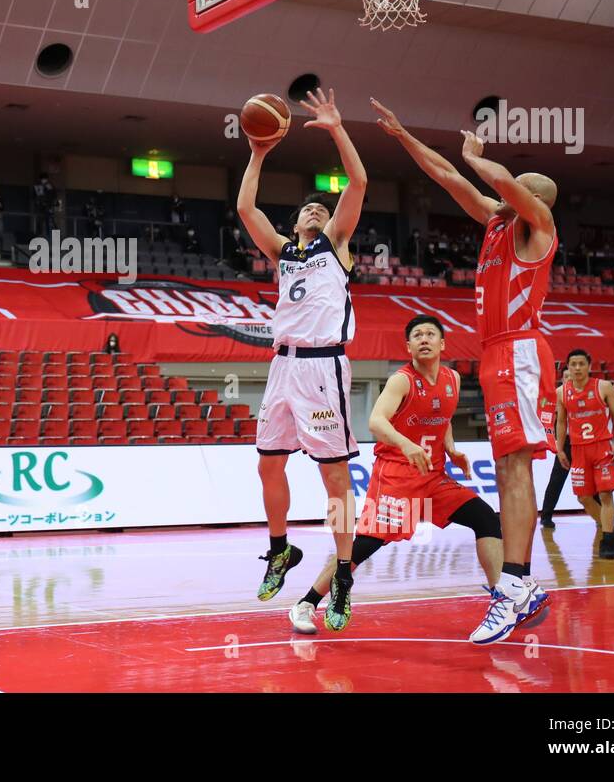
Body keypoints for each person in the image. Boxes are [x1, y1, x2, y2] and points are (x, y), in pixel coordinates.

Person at [374, 98, 557, 640]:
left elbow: (496, 180)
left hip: (521, 350)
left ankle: (516, 583)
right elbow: (447, 175)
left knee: (517, 469)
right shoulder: (497, 225)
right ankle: (516, 585)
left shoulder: (538, 227)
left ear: (530, 200)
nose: (500, 195)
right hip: (495, 353)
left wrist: (480, 157)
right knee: (506, 471)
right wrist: (405, 135)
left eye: (514, 190)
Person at [235, 88, 368, 630]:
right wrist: (259, 151)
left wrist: (337, 127)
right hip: (282, 366)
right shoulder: (284, 253)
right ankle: (281, 548)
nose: (316, 208)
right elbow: (246, 207)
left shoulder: (334, 244)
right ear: (294, 226)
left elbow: (358, 183)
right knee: (268, 462)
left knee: (335, 481)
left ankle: (342, 574)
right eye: (307, 208)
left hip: (322, 367)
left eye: (322, 205)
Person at [289, 316, 508, 642]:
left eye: (430, 334)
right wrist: (406, 444)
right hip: (396, 477)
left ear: (442, 344)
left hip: (433, 477)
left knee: (486, 519)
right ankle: (306, 603)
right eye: (417, 335)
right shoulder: (401, 381)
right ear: (408, 347)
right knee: (361, 547)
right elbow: (377, 421)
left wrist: (451, 449)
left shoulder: (453, 380)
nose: (424, 338)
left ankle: (502, 598)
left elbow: (443, 417)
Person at [555, 348, 614, 558]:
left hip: (602, 446)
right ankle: (610, 528)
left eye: (581, 364)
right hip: (578, 449)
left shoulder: (603, 386)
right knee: (583, 498)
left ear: (589, 366)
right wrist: (559, 448)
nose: (577, 368)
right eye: (573, 364)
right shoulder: (561, 392)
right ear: (568, 367)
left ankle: (608, 539)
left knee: (605, 494)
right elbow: (560, 422)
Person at [540, 368, 575, 529]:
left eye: (570, 376)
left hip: (583, 442)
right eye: (565, 376)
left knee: (591, 482)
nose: (568, 378)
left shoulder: (582, 393)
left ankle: (600, 515)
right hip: (565, 441)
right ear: (562, 378)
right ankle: (546, 516)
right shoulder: (558, 394)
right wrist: (557, 445)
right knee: (556, 480)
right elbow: (552, 419)